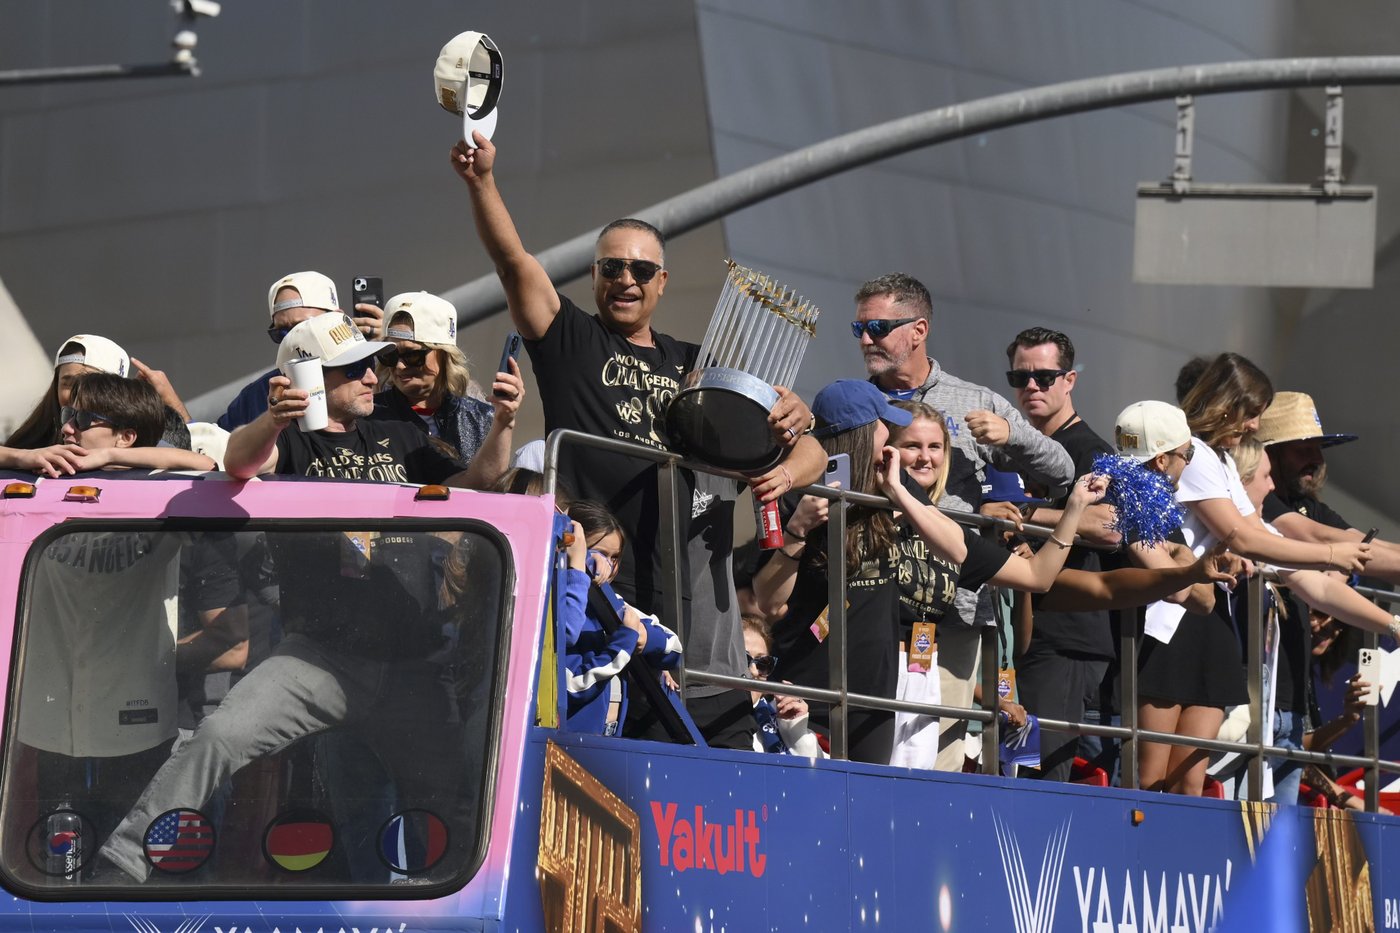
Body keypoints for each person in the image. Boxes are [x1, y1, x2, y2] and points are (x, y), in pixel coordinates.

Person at [452, 131, 824, 746]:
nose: (626, 278)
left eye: (641, 269)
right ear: (596, 275)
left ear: (662, 282)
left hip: (695, 596)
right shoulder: (571, 341)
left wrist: (792, 447)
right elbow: (514, 262)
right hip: (603, 584)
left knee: (708, 763)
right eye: (611, 267)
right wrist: (482, 181)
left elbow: (808, 446)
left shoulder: (699, 364)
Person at [754, 381, 1102, 765]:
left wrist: (900, 494)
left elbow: (958, 550)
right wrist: (797, 531)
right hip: (807, 685)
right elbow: (767, 603)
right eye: (887, 426)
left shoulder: (895, 485)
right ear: (865, 432)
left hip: (877, 690)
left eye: (934, 447)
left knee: (874, 803)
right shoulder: (798, 493)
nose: (895, 437)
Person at [853, 273, 1075, 772]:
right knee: (871, 746)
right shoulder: (855, 404)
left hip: (955, 604)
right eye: (860, 328)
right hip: (873, 601)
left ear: (918, 329)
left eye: (879, 327)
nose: (867, 339)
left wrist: (1014, 436)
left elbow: (1062, 471)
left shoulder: (977, 401)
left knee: (941, 756)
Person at [1140, 353, 1370, 796]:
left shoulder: (1222, 462)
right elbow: (1241, 537)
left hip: (1212, 619)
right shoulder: (1196, 455)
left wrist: (1332, 556)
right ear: (1226, 405)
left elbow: (1258, 534)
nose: (1252, 429)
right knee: (1152, 777)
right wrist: (1329, 553)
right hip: (1173, 620)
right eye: (1251, 416)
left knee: (1190, 781)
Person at [15, 374, 215, 860]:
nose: (67, 429)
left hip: (138, 723)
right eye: (67, 417)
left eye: (82, 421)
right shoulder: (41, 487)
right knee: (53, 864)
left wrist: (108, 460)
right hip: (47, 721)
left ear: (126, 436)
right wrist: (21, 457)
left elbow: (207, 464)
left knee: (130, 865)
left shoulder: (163, 495)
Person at [1230, 437, 1400, 803]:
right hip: (1232, 699)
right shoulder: (1246, 529)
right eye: (1264, 476)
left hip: (1277, 709)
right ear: (1240, 481)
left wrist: (1393, 625)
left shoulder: (1273, 530)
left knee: (1270, 845)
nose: (1272, 485)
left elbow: (1322, 588)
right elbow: (1321, 558)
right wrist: (1332, 555)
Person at [1003, 327, 1118, 782]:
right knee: (1012, 768)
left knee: (1041, 775)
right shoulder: (1017, 448)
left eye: (1045, 377)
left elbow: (1109, 527)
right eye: (1020, 376)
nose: (1031, 386)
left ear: (1069, 380)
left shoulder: (1090, 451)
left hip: (1067, 638)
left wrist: (1028, 512)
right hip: (1022, 632)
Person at [223, 312, 515, 489]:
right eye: (353, 369)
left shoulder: (400, 433)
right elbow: (238, 464)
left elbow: (477, 484)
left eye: (369, 365)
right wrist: (272, 422)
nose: (372, 378)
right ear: (308, 376)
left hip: (403, 590)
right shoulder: (288, 440)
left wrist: (504, 421)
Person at [559, 501, 682, 735]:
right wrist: (624, 643)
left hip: (610, 740)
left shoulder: (613, 604)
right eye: (600, 553)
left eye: (615, 557)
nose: (609, 565)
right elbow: (573, 687)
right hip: (570, 744)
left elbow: (675, 648)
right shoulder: (560, 604)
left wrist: (643, 638)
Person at [371, 290, 521, 482]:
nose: (400, 366)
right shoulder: (369, 415)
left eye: (413, 355)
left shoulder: (483, 417)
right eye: (390, 355)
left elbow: (492, 487)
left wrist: (505, 420)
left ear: (444, 354)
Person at [1255, 391, 1400, 584]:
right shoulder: (1257, 498)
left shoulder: (1304, 503)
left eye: (1318, 449)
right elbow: (1317, 537)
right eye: (1304, 450)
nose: (1318, 460)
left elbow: (1361, 540)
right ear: (1270, 453)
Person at [216, 271, 385, 431]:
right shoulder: (258, 393)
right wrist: (270, 422)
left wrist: (392, 354)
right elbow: (218, 450)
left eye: (303, 327)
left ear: (336, 317)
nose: (294, 338)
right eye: (281, 332)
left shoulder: (378, 373)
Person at [742, 615, 824, 758]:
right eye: (744, 658)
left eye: (763, 663)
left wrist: (796, 732)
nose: (754, 671)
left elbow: (819, 777)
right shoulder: (700, 711)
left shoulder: (779, 718)